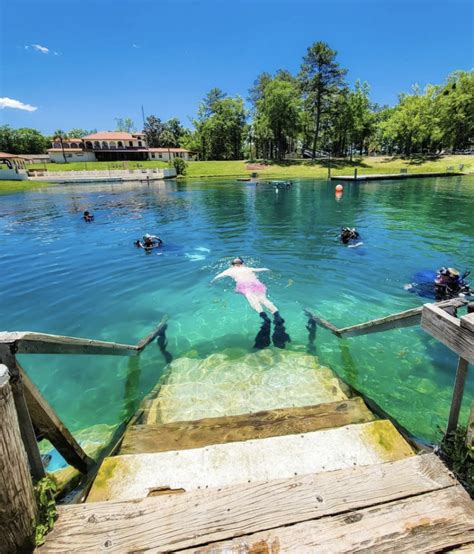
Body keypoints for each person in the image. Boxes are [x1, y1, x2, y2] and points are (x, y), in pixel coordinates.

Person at [212, 257, 291, 348]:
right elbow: (264, 269)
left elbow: (217, 277)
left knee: (254, 301)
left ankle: (265, 319)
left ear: (232, 265)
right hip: (257, 284)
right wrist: (272, 272)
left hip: (244, 286)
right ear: (243, 263)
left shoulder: (230, 271)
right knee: (264, 300)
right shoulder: (248, 268)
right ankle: (277, 317)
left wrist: (211, 283)